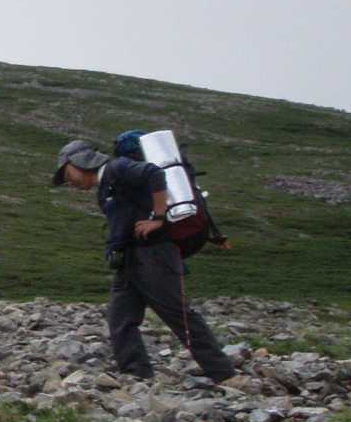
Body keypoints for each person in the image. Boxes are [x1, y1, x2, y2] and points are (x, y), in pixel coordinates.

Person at [51, 139, 234, 381]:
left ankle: (223, 373)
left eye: (67, 174)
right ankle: (136, 375)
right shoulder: (107, 184)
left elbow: (155, 174)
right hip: (130, 258)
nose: (69, 182)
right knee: (120, 318)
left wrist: (158, 218)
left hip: (154, 255)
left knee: (177, 315)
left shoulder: (117, 168)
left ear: (80, 162)